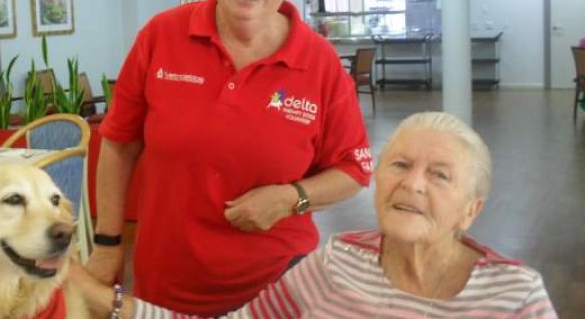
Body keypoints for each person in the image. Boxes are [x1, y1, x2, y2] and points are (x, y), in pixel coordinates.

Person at [87, 0, 372, 315]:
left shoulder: (319, 62)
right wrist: (107, 245)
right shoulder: (161, 35)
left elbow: (354, 169)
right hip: (168, 283)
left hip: (281, 285)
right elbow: (118, 145)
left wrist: (293, 198)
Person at [72, 111, 557, 318]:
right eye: (401, 165)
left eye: (440, 176)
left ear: (471, 211)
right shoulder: (337, 260)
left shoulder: (514, 296)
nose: (412, 184)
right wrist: (103, 300)